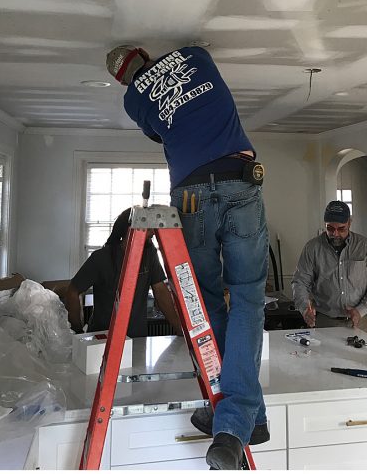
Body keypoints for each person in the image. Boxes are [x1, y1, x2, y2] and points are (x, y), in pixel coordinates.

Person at [106, 44, 269, 469]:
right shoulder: (195, 54)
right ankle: (241, 421)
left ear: (124, 78)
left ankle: (236, 416)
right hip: (239, 180)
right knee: (248, 299)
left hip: (191, 192)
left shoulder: (133, 99)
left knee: (208, 301)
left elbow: (160, 133)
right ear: (146, 52)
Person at [61, 209, 182, 338]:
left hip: (137, 339)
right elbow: (73, 291)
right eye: (148, 227)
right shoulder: (101, 258)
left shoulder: (149, 253)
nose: (153, 232)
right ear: (131, 229)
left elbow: (160, 291)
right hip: (102, 339)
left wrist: (180, 330)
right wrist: (78, 331)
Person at [291, 200, 367, 338]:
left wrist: (360, 310)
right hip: (325, 323)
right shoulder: (312, 248)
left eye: (341, 229)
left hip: (362, 321)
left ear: (349, 223)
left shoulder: (365, 247)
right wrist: (305, 309)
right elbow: (300, 282)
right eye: (330, 228)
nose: (335, 234)